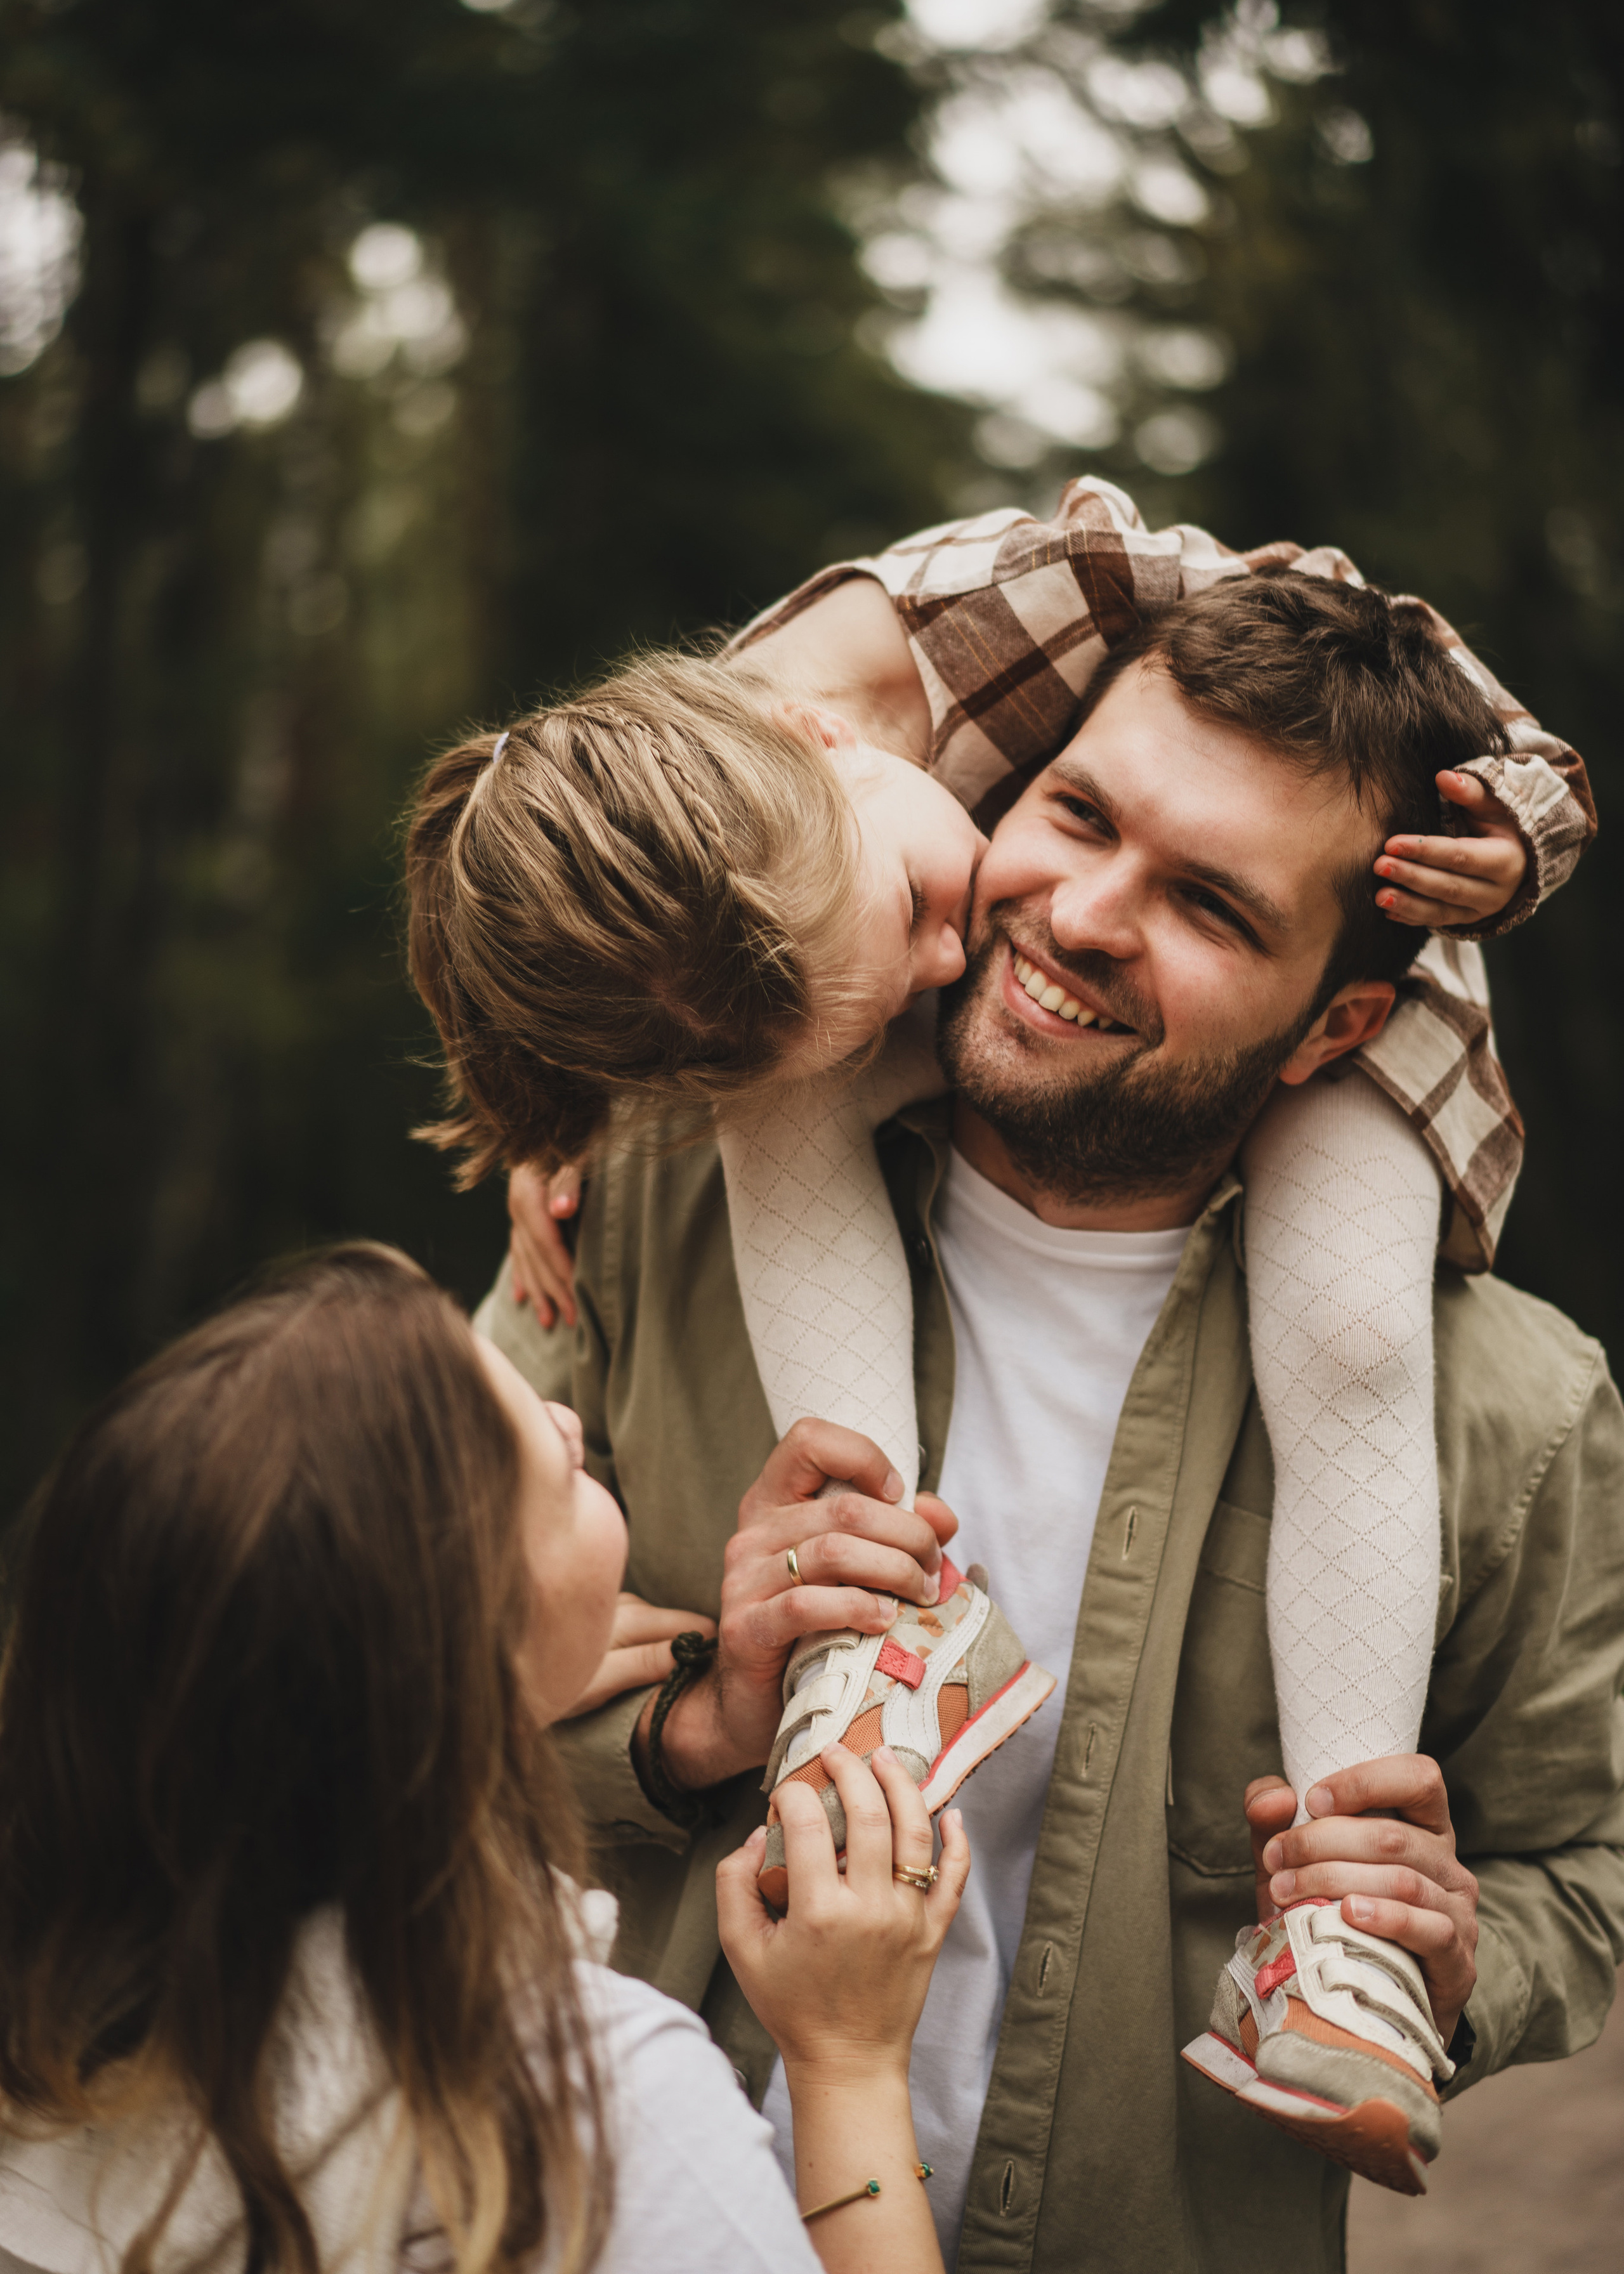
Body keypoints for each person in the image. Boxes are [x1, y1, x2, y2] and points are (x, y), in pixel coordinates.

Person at [403, 482, 1594, 2173]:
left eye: (1215, 906)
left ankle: (1330, 1964)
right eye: (1076, 815)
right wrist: (688, 1726)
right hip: (648, 2201)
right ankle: (873, 1663)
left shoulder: (1519, 1410)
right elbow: (401, 1666)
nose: (1050, 931)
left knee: (1351, 1337)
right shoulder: (645, 1214)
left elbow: (1583, 1874)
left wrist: (1453, 1963)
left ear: (1337, 1022)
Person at [0, 1245, 971, 2274]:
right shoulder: (608, 2119)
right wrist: (848, 2069)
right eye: (552, 1463)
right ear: (471, 1654)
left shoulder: (56, 2046)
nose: (568, 1417)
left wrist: (702, 1725)